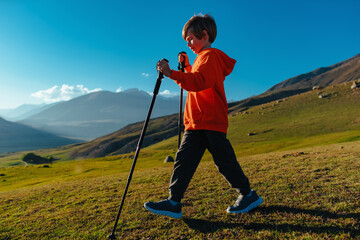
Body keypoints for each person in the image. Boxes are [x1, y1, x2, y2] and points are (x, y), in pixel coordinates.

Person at [144, 14, 263, 219]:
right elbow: (196, 80)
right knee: (183, 160)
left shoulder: (211, 56)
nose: (188, 43)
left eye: (190, 38)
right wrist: (186, 67)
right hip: (196, 122)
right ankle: (173, 202)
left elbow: (199, 82)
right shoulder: (202, 58)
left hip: (210, 121)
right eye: (186, 41)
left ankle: (248, 194)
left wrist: (171, 73)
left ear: (204, 34)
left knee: (224, 161)